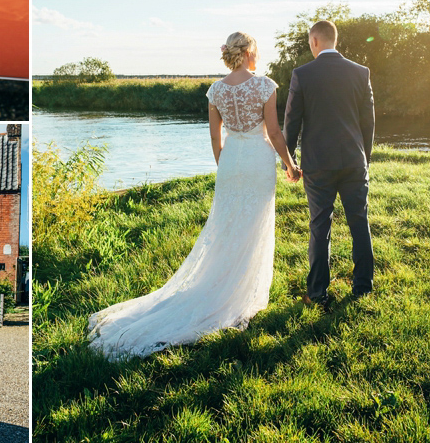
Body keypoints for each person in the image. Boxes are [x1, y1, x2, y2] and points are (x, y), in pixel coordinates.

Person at [87, 32, 300, 360]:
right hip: (258, 160)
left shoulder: (215, 90)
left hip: (231, 162)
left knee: (227, 224)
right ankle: (237, 294)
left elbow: (216, 137)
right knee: (253, 224)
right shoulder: (265, 85)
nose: (258, 55)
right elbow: (273, 132)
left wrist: (226, 166)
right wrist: (291, 164)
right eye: (256, 50)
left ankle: (220, 284)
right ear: (247, 53)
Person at [284, 19, 375, 307]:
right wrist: (364, 158)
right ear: (335, 40)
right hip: (353, 161)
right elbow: (368, 123)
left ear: (314, 42)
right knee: (359, 221)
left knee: (320, 225)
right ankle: (363, 288)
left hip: (318, 164)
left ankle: (317, 293)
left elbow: (292, 122)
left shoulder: (302, 74)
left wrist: (290, 162)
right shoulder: (361, 72)